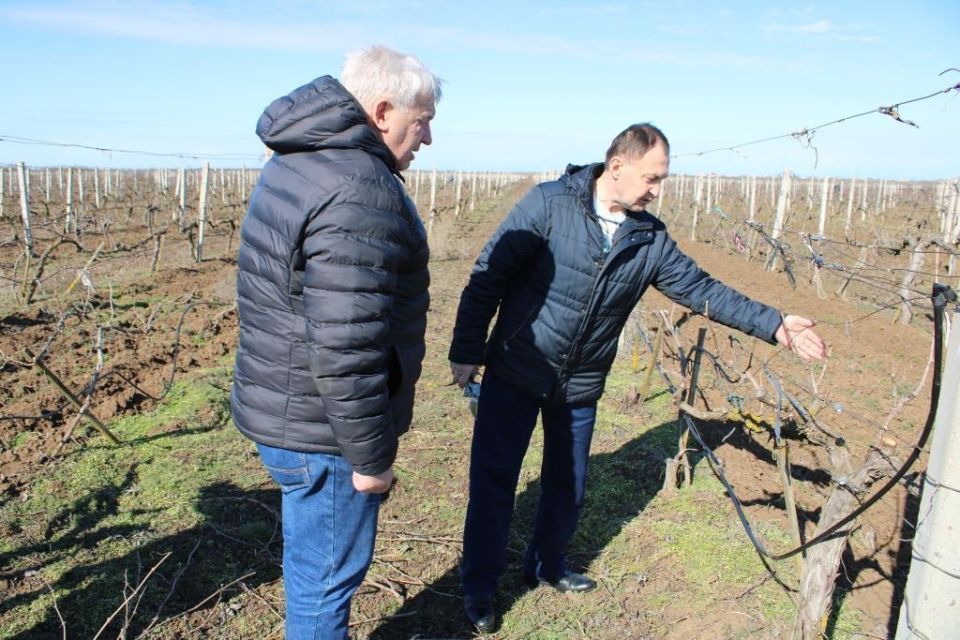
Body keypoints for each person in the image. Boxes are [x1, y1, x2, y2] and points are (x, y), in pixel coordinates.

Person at [448, 123, 826, 632]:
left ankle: (547, 565)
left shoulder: (649, 238)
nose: (657, 190)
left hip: (579, 383)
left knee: (569, 484)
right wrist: (467, 351)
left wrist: (774, 323)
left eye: (661, 180)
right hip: (517, 369)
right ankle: (480, 588)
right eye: (651, 178)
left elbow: (701, 289)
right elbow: (488, 275)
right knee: (495, 482)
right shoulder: (548, 205)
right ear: (618, 165)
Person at [231, 46, 441, 639]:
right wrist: (371, 460)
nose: (426, 139)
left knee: (312, 571)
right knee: (326, 580)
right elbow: (346, 347)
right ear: (382, 111)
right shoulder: (360, 187)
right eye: (421, 121)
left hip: (287, 407)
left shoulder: (298, 158)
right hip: (324, 432)